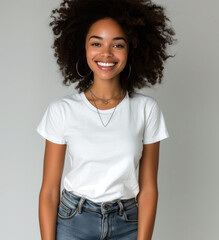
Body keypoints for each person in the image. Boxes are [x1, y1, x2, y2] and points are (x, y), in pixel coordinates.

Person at [36, 0, 175, 239]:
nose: (106, 54)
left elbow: (149, 189)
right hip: (74, 222)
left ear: (132, 49)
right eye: (96, 43)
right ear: (83, 48)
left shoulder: (146, 109)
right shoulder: (62, 111)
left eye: (117, 45)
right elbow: (49, 191)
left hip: (127, 222)